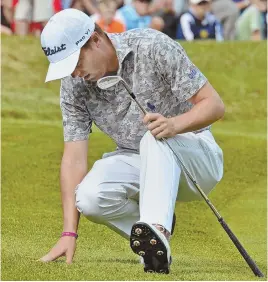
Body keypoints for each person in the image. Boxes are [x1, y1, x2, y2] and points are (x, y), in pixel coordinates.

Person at [39, 8, 224, 274]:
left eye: (76, 62)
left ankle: (157, 226)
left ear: (95, 40)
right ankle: (155, 236)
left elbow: (214, 105)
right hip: (140, 162)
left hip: (196, 158)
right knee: (90, 197)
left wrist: (174, 125)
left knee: (153, 138)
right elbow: (74, 157)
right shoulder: (73, 85)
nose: (75, 73)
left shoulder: (151, 45)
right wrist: (69, 233)